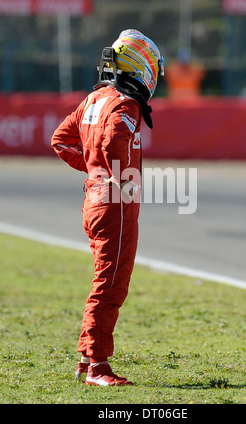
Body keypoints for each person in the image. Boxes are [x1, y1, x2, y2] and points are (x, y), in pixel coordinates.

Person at [51, 29, 164, 386]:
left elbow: (61, 139)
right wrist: (118, 176)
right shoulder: (124, 103)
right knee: (111, 283)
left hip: (95, 199)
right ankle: (98, 367)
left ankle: (88, 361)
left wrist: (96, 170)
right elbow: (116, 136)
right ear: (142, 67)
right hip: (114, 204)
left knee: (106, 278)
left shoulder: (95, 98)